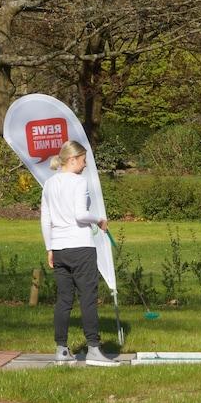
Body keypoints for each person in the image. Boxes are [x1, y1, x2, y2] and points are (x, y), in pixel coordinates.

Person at [40, 141, 119, 367]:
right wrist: (99, 220)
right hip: (81, 248)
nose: (85, 165)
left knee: (64, 300)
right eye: (83, 160)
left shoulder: (49, 184)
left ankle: (62, 350)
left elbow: (45, 219)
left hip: (60, 250)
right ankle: (93, 349)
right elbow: (80, 214)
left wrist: (50, 248)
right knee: (88, 299)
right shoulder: (78, 181)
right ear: (72, 159)